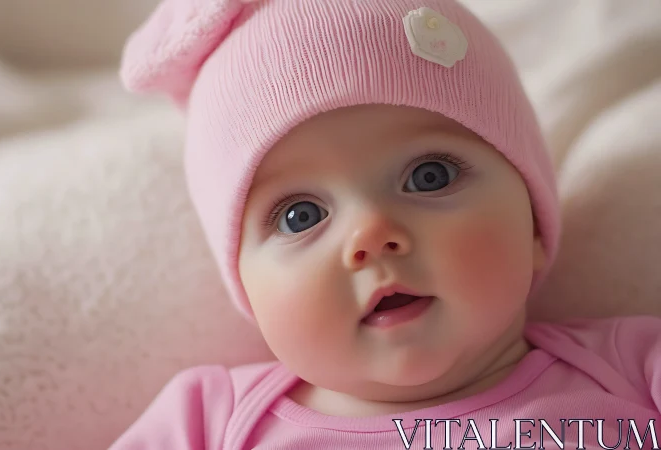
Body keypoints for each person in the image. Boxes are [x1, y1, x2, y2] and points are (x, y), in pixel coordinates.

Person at [111, 0, 661, 448]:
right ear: (248, 289)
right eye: (300, 216)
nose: (371, 233)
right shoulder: (208, 423)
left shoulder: (634, 368)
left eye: (429, 176)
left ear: (535, 224)